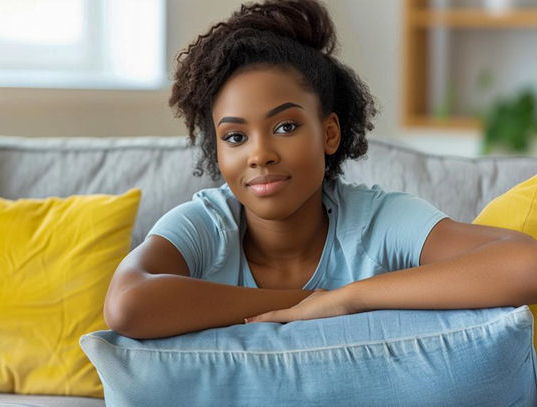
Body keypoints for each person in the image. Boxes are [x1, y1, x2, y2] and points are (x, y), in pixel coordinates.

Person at [104, 0, 537, 339]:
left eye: (286, 126)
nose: (260, 154)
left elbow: (526, 264)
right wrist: (309, 301)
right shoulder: (206, 225)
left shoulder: (375, 222)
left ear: (329, 133)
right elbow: (127, 305)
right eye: (235, 137)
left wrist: (350, 300)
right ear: (217, 151)